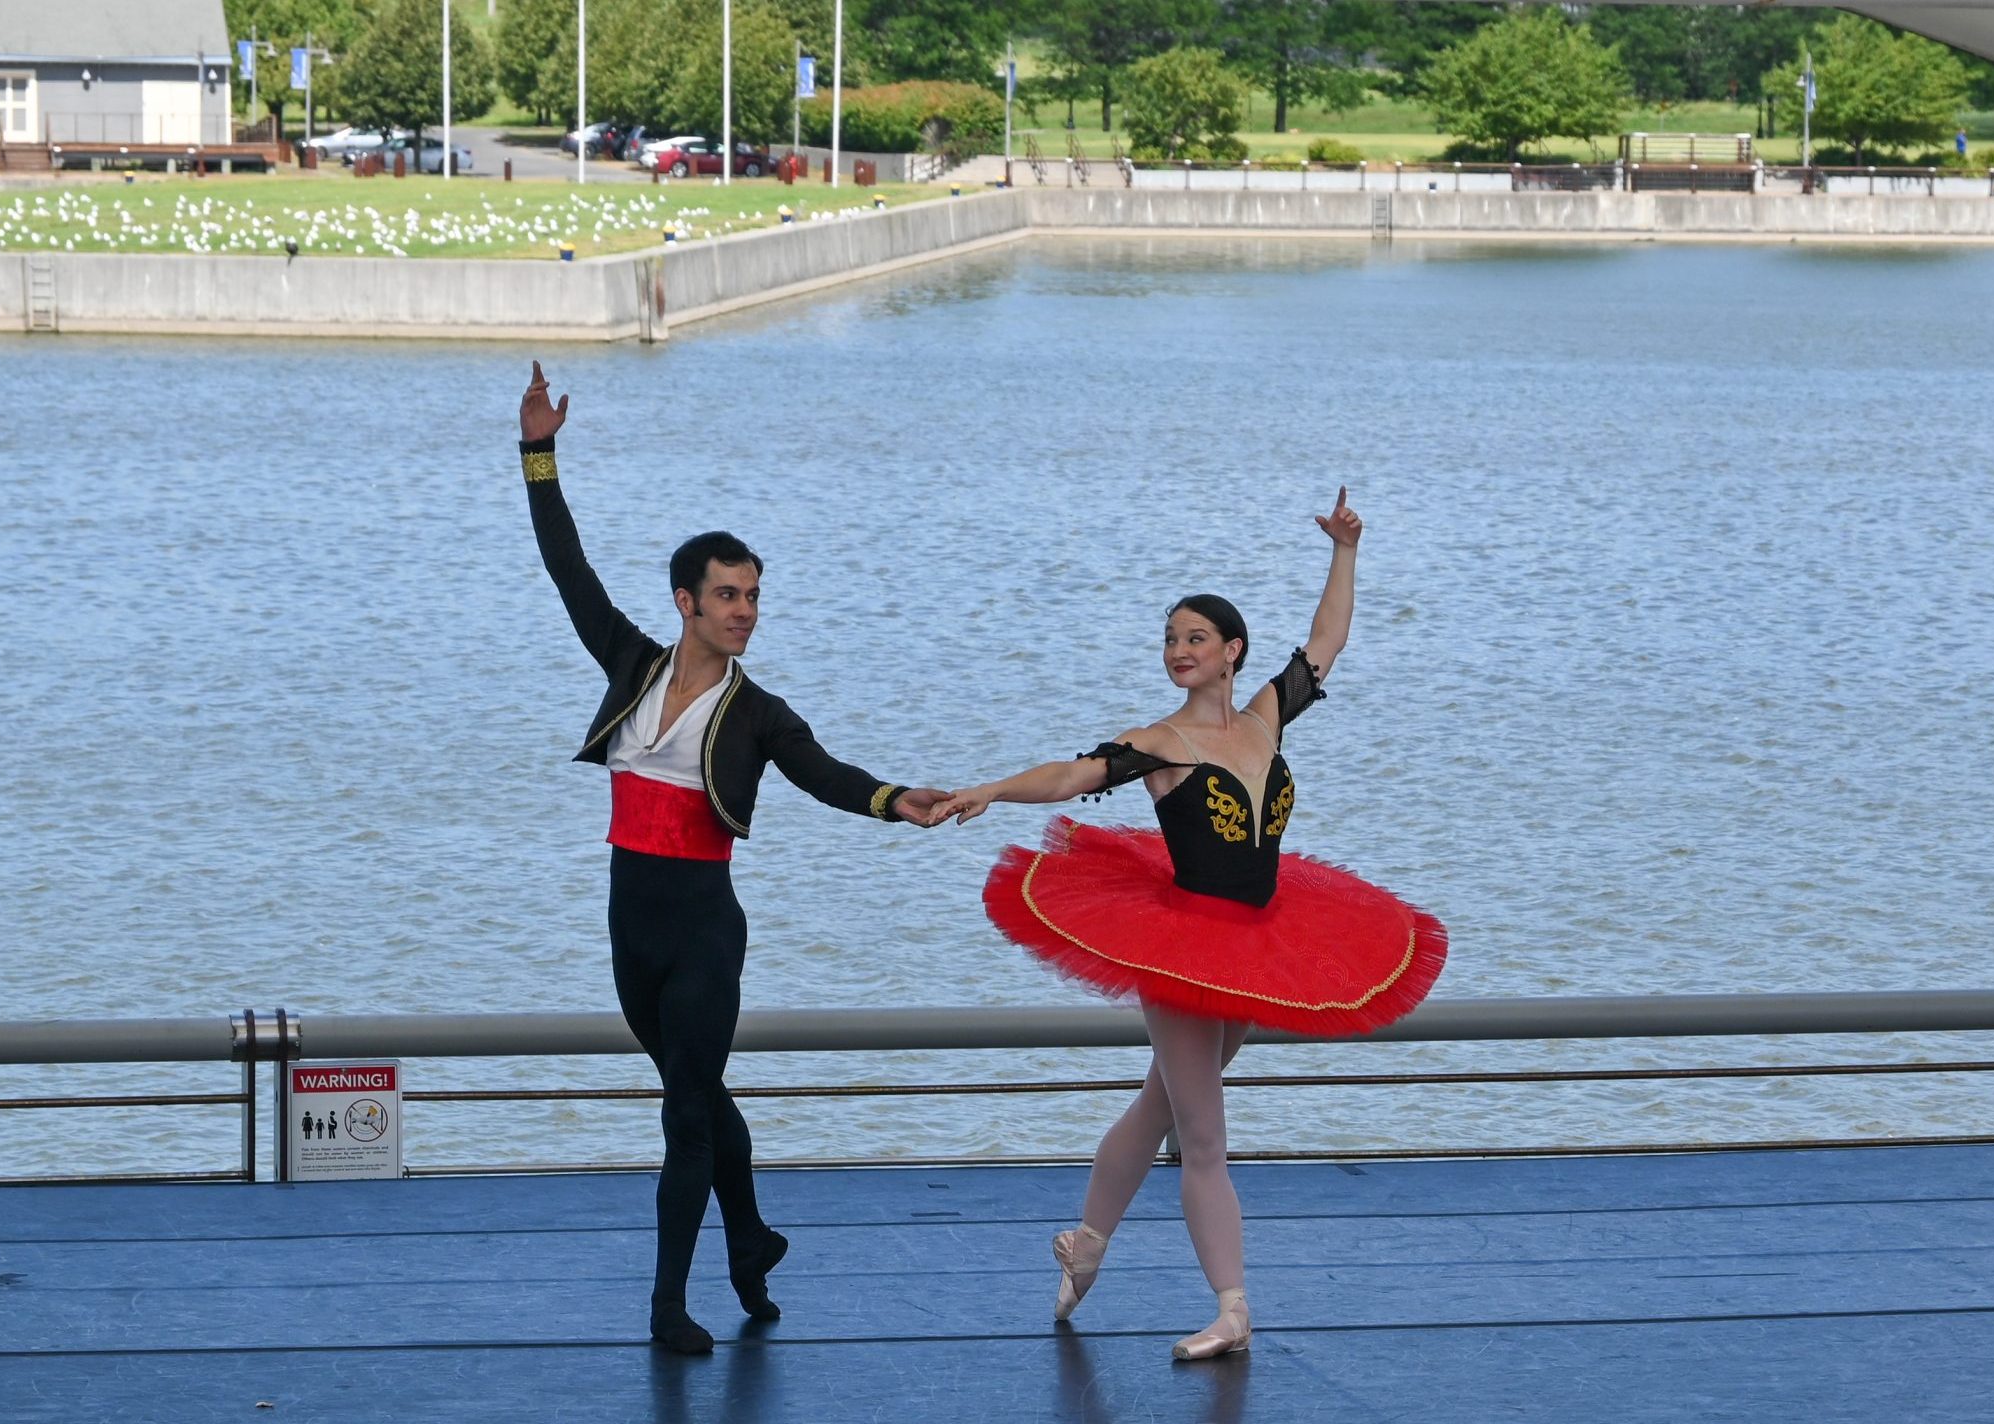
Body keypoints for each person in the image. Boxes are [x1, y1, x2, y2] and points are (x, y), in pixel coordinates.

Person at [932, 489, 1445, 1360]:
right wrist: (987, 788)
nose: (1178, 651)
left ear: (1231, 653)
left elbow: (1326, 643)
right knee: (1202, 1133)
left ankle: (1087, 1244)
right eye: (1170, 639)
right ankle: (1234, 1308)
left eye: (1194, 639)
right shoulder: (1161, 741)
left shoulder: (1265, 718)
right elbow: (1070, 776)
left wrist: (1347, 551)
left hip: (1257, 942)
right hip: (1181, 948)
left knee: (1164, 1100)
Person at [515, 362, 949, 1355]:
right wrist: (537, 454)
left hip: (705, 931)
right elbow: (566, 568)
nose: (744, 610)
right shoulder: (631, 664)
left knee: (683, 1117)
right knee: (699, 1093)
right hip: (631, 930)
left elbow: (824, 772)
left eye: (753, 596)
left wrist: (894, 801)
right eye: (726, 595)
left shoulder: (757, 714)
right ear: (685, 601)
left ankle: (669, 1304)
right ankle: (751, 1235)